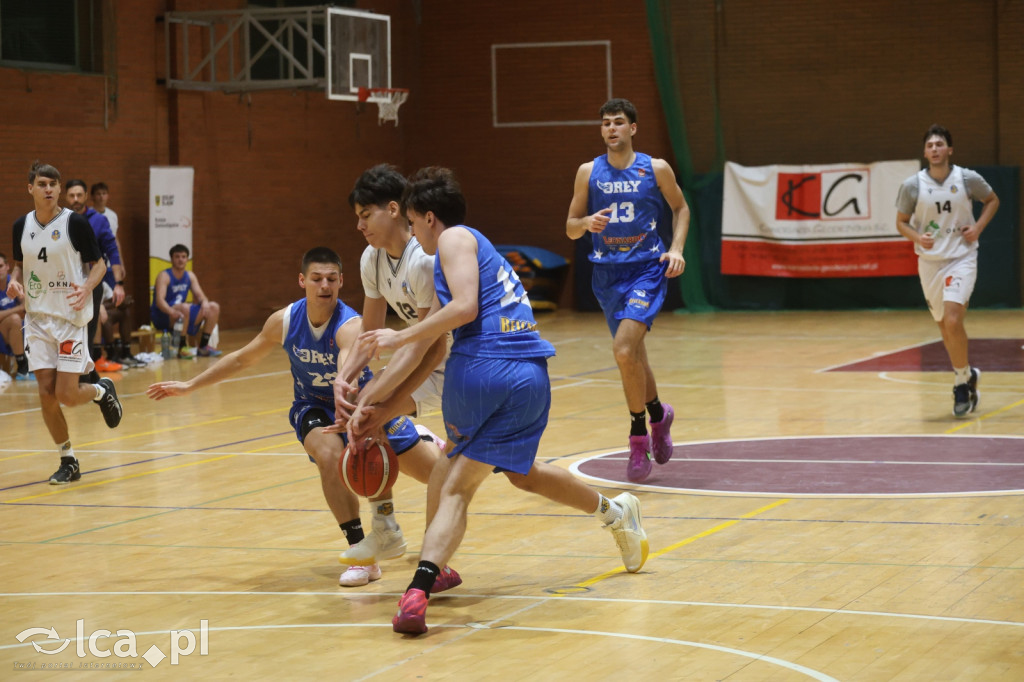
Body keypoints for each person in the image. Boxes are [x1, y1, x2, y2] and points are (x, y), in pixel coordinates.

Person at [349, 167, 649, 635]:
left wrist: (397, 339)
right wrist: (383, 405)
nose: (413, 232)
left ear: (428, 217)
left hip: (486, 369)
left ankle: (420, 587)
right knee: (518, 475)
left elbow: (462, 311)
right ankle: (615, 512)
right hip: (521, 373)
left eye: (413, 220)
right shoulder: (461, 248)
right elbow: (434, 348)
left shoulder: (452, 240)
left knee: (454, 486)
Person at [146, 247, 458, 590]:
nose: (324, 286)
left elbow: (347, 370)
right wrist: (190, 384)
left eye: (331, 279)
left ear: (341, 282)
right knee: (330, 456)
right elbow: (241, 359)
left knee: (438, 479)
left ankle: (421, 437)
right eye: (316, 279)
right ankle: (359, 551)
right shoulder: (285, 321)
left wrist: (348, 404)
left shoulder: (350, 325)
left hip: (360, 406)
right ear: (302, 281)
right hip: (312, 406)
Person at [565, 98, 690, 483]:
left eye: (618, 122)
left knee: (622, 350)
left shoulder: (655, 168)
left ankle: (638, 436)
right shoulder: (588, 172)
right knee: (633, 355)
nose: (611, 129)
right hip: (605, 275)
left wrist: (676, 249)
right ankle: (659, 415)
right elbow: (570, 226)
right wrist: (586, 222)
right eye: (605, 123)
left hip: (646, 271)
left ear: (633, 128)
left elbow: (681, 209)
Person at [332, 164, 449, 568]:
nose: (360, 225)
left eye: (366, 215)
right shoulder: (372, 259)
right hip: (426, 361)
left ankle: (611, 510)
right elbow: (369, 335)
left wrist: (373, 393)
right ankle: (387, 533)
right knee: (364, 421)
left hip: (458, 364)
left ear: (395, 209)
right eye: (358, 218)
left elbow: (428, 346)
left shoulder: (423, 260)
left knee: (521, 473)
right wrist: (342, 380)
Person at [7, 162, 124, 484]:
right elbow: (20, 264)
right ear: (29, 188)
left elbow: (99, 264)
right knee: (46, 393)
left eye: (53, 184)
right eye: (42, 184)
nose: (48, 189)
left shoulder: (76, 224)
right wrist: (14, 282)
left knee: (67, 396)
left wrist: (87, 287)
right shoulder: (21, 225)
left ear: (59, 190)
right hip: (38, 320)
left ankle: (101, 390)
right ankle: (68, 459)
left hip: (70, 319)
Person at [896, 124, 1000, 417]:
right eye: (930, 145)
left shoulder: (966, 178)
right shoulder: (912, 185)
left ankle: (959, 384)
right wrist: (917, 237)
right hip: (930, 262)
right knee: (943, 324)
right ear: (925, 151)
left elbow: (992, 200)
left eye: (940, 144)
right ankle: (968, 375)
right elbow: (901, 222)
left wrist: (978, 227)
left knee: (953, 319)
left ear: (949, 149)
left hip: (961, 257)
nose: (935, 149)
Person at [66, 179, 125, 373]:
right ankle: (68, 369)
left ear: (85, 197)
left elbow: (112, 250)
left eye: (79, 195)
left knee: (89, 327)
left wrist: (118, 283)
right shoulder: (61, 219)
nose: (75, 199)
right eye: (72, 195)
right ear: (66, 197)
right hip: (65, 282)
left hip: (92, 280)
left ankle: (87, 371)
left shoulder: (98, 220)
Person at [150, 244, 222, 357]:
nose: (180, 260)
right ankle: (181, 347)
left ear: (187, 259)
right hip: (164, 315)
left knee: (213, 306)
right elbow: (159, 302)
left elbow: (201, 295)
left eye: (183, 257)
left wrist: (205, 303)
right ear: (172, 259)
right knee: (184, 307)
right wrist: (171, 312)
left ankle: (203, 346)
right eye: (177, 257)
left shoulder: (190, 275)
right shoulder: (164, 276)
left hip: (182, 314)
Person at [0, 252, 32, 379]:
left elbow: (26, 306)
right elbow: (21, 307)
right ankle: (23, 364)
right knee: (14, 319)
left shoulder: (14, 282)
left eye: (0, 266)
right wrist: (18, 309)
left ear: (7, 266)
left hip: (21, 328)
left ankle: (27, 366)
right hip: (2, 331)